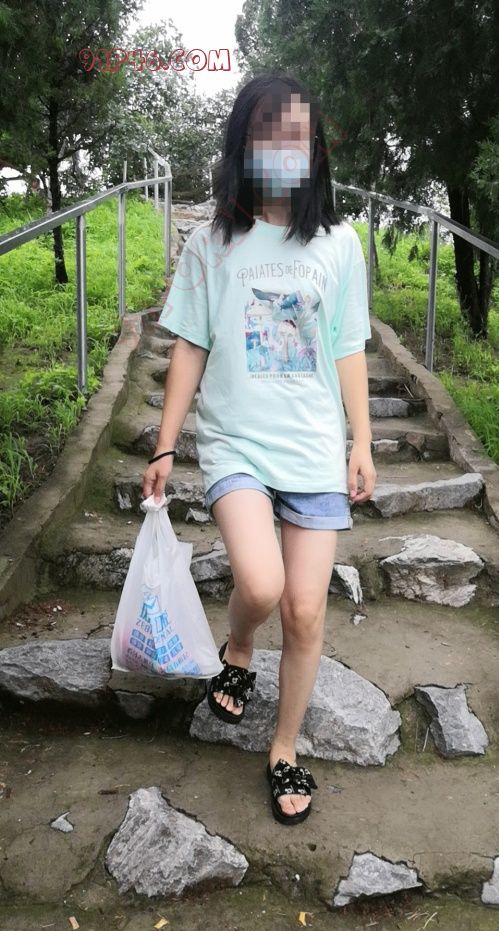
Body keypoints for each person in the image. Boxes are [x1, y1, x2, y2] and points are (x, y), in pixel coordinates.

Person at [143, 73, 377, 825]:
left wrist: (362, 439)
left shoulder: (339, 244)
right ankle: (239, 647)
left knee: (305, 612)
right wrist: (165, 445)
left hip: (312, 446)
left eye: (296, 136)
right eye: (267, 135)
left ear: (314, 150)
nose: (283, 149)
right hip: (237, 441)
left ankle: (284, 747)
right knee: (262, 582)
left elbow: (346, 346)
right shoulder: (212, 243)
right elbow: (189, 346)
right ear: (243, 147)